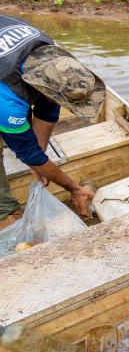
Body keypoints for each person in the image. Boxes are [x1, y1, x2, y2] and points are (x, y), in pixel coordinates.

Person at [0, 15, 103, 224]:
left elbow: (48, 108)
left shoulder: (49, 51)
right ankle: (4, 210)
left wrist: (37, 163)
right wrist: (74, 188)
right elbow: (28, 151)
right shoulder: (8, 100)